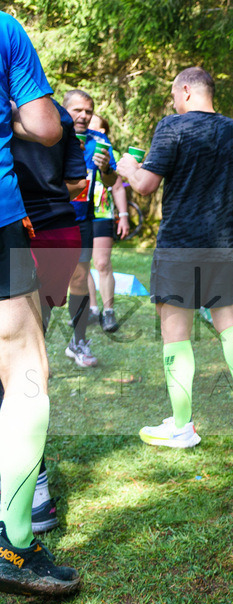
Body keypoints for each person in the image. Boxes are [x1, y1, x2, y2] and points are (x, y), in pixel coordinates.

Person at [116, 66, 233, 447]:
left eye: (174, 94)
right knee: (229, 321)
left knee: (176, 332)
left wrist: (128, 167)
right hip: (225, 243)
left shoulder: (172, 127)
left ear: (187, 90)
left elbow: (144, 185)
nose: (173, 102)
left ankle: (182, 427)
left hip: (180, 244)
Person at [0, 10, 81, 596]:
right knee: (26, 366)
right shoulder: (4, 27)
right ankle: (15, 545)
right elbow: (45, 125)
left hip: (50, 230)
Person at [11, 98, 87, 535]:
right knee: (25, 355)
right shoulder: (56, 112)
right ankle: (33, 487)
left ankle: (32, 487)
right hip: (60, 230)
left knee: (17, 364)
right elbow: (77, 181)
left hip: (22, 232)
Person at [63, 88, 118, 367]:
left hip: (83, 218)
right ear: (64, 110)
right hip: (50, 217)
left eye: (88, 110)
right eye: (77, 110)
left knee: (79, 280)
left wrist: (107, 168)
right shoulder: (52, 134)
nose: (84, 116)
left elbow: (109, 182)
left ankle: (78, 342)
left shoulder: (99, 139)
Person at [84, 113, 130, 333]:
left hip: (102, 212)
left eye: (95, 125)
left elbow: (118, 187)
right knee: (82, 266)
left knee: (101, 263)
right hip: (79, 212)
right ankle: (92, 310)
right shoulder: (74, 145)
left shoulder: (109, 151)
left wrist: (123, 216)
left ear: (102, 131)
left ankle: (108, 311)